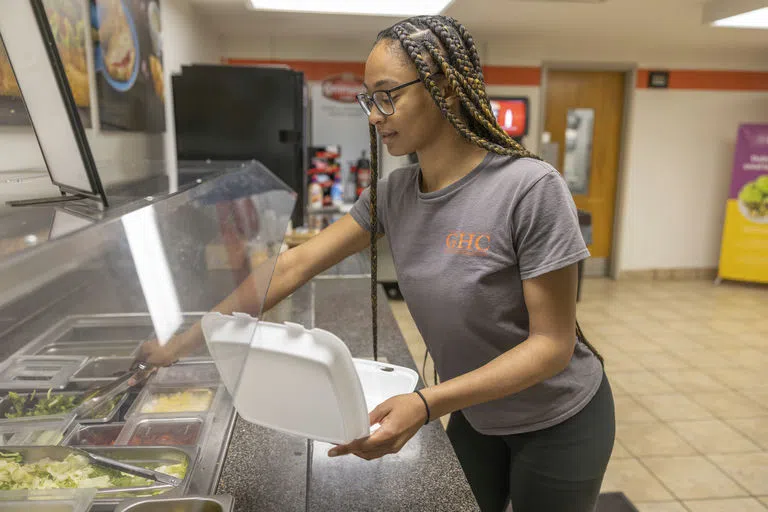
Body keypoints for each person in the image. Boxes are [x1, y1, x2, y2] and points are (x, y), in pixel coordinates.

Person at [140, 15, 615, 512]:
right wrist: (183, 343)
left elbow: (551, 347)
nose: (374, 115)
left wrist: (427, 404)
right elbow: (294, 266)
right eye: (369, 98)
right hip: (476, 414)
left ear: (446, 89)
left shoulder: (531, 189)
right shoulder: (394, 194)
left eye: (387, 94)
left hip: (559, 420)